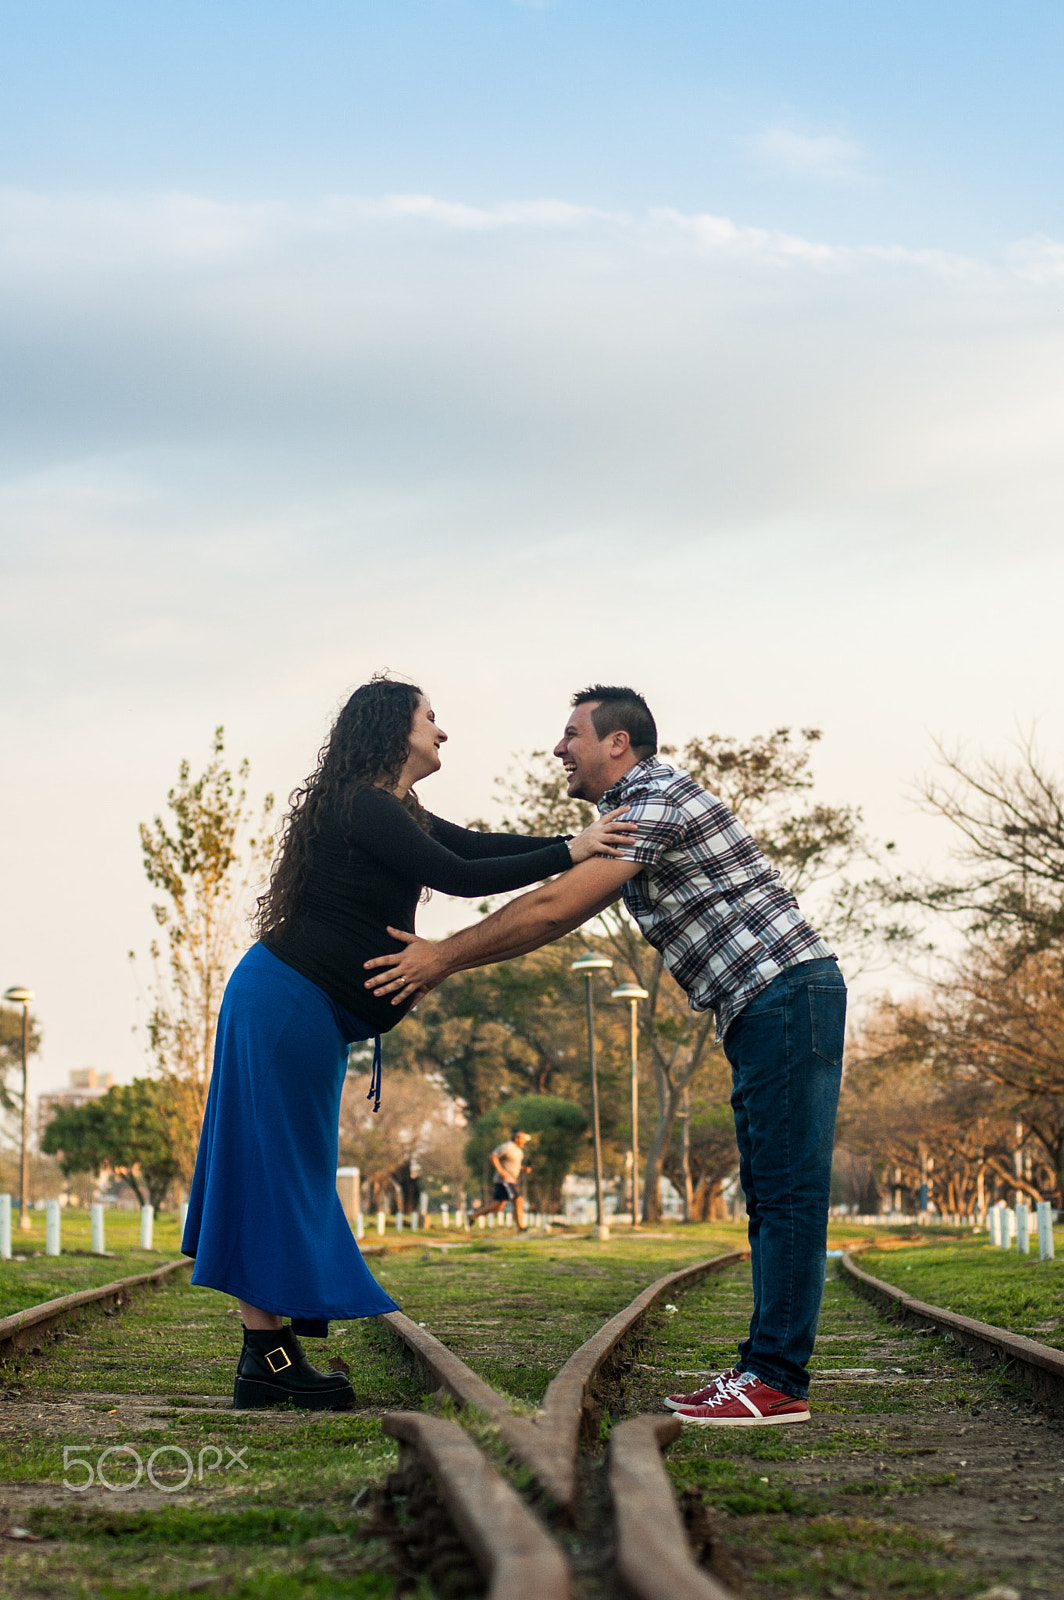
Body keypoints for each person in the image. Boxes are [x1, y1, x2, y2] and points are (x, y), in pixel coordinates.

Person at [365, 684, 847, 1428]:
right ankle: (764, 1369)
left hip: (784, 996)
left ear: (616, 743)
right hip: (764, 1005)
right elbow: (510, 867)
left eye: (571, 734)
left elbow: (556, 907)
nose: (559, 749)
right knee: (772, 1193)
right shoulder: (627, 812)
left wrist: (441, 959)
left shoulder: (653, 800)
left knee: (787, 1195)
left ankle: (776, 1380)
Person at [182, 676, 634, 1411]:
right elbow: (457, 875)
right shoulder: (365, 806)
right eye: (432, 719)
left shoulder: (391, 809)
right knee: (278, 1169)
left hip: (295, 1006)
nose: (443, 732)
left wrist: (569, 850)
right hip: (285, 1003)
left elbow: (475, 846)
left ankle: (265, 1357)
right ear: (394, 728)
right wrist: (573, 847)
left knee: (280, 1166)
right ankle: (265, 1358)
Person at [471, 1128, 532, 1229]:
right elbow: (493, 1156)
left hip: (511, 1180)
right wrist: (500, 1171)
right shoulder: (507, 1147)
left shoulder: (519, 1151)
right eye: (523, 1139)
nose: (525, 1141)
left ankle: (473, 1216)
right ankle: (521, 1227)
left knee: (498, 1206)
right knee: (518, 1200)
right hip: (505, 1180)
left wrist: (523, 1169)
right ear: (516, 1138)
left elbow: (513, 1165)